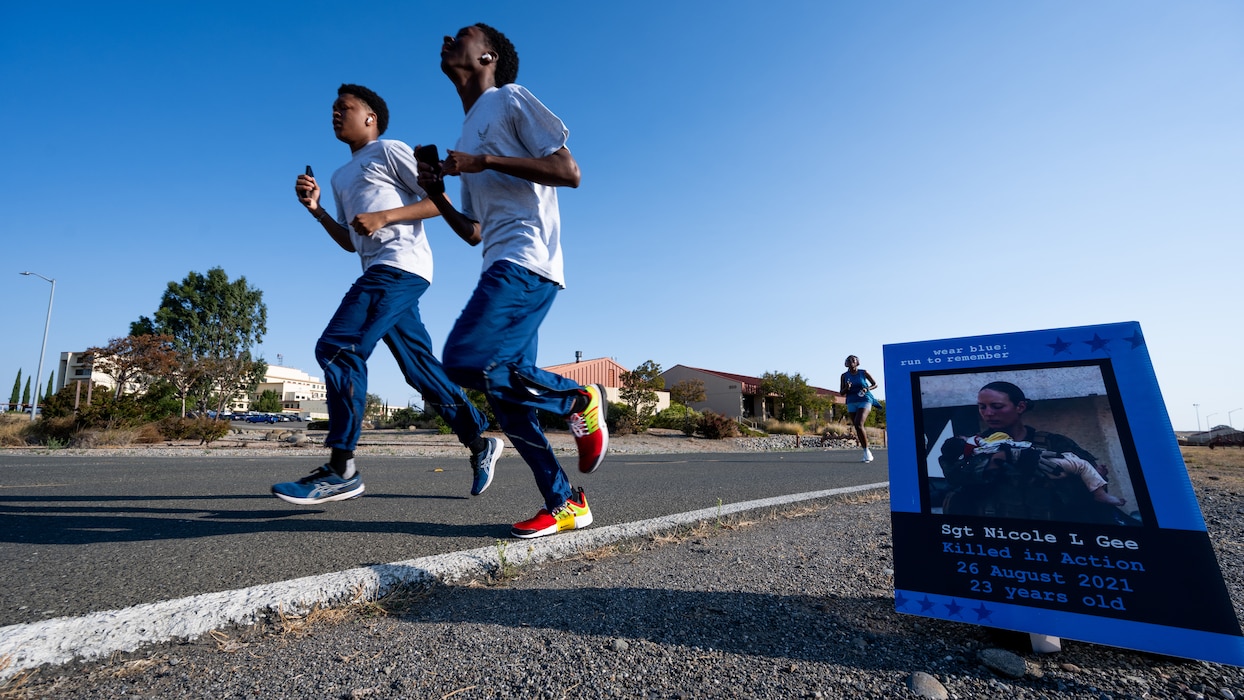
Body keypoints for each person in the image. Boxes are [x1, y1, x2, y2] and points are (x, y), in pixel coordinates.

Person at [417, 24, 607, 540]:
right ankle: (567, 502)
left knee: (463, 359)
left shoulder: (510, 99)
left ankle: (576, 400)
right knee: (507, 397)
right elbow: (475, 232)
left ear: (488, 57)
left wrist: (485, 160)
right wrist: (437, 194)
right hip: (500, 259)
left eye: (462, 35)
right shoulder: (463, 136)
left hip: (528, 260)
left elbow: (568, 171)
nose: (447, 37)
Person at [271, 83, 503, 506]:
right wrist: (317, 209)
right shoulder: (341, 176)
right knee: (420, 371)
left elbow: (438, 202)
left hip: (399, 266)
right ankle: (478, 440)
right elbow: (350, 241)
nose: (336, 114)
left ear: (370, 117)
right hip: (381, 269)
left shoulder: (390, 150)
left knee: (339, 347)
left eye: (345, 107)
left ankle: (342, 468)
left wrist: (385, 215)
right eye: (333, 109)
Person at [939, 381, 1128, 522]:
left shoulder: (1054, 442)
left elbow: (1091, 479)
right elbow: (955, 475)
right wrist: (1005, 457)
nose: (988, 413)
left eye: (997, 407)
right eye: (982, 407)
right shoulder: (975, 445)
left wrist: (1058, 476)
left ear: (1020, 407)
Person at [840, 355, 881, 462]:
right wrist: (846, 388)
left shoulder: (863, 372)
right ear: (846, 363)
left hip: (865, 399)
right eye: (848, 361)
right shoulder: (844, 376)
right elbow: (841, 392)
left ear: (857, 362)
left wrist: (867, 388)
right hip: (851, 401)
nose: (851, 362)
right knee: (857, 427)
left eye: (853, 360)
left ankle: (867, 453)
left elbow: (875, 384)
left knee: (859, 423)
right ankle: (865, 450)